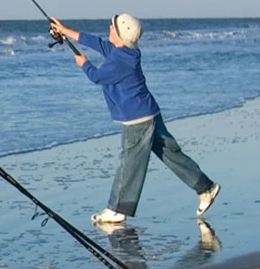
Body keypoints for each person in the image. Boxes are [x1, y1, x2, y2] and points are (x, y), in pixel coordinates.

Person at [48, 13, 221, 226]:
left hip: (137, 119)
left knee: (129, 163)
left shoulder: (119, 63)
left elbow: (97, 77)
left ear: (120, 36)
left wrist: (83, 63)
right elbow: (96, 42)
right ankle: (206, 187)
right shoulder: (125, 52)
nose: (109, 27)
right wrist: (65, 31)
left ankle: (117, 209)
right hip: (150, 112)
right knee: (170, 154)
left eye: (112, 26)